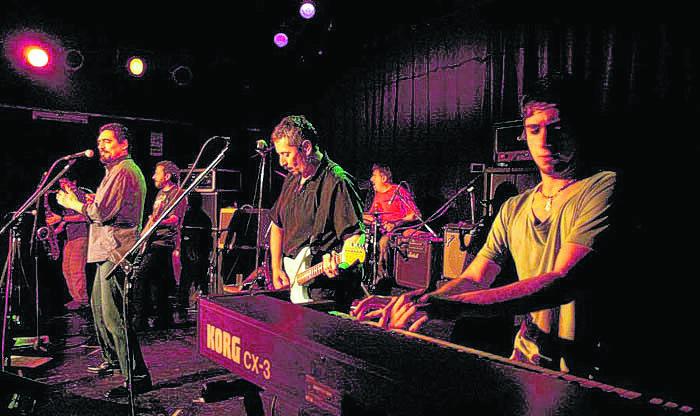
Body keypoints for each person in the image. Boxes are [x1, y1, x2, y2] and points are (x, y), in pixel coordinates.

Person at [353, 75, 617, 378]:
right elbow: (474, 278)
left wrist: (449, 307)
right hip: (528, 363)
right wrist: (420, 300)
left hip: (589, 375)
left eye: (557, 129)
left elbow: (561, 281)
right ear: (524, 134)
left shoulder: (603, 187)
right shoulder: (514, 208)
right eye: (535, 129)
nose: (545, 141)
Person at [56, 122, 151, 398]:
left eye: (108, 141)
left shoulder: (123, 170)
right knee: (100, 312)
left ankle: (137, 377)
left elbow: (101, 213)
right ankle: (115, 362)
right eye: (100, 142)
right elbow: (103, 207)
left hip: (115, 250)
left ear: (124, 144)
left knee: (114, 317)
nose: (101, 146)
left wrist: (73, 204)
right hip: (105, 249)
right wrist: (87, 201)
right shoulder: (114, 171)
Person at [269, 115, 365, 310]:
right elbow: (277, 225)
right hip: (294, 284)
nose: (281, 162)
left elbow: (356, 239)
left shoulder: (337, 181)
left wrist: (340, 264)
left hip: (325, 293)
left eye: (286, 154)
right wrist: (276, 267)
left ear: (306, 147)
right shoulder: (292, 179)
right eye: (279, 154)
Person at [131, 160, 187, 330]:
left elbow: (174, 219)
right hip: (153, 241)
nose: (154, 176)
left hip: (163, 243)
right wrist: (142, 236)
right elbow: (154, 217)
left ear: (167, 176)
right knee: (158, 282)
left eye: (157, 173)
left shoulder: (178, 193)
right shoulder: (160, 193)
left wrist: (157, 221)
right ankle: (164, 318)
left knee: (141, 277)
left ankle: (140, 319)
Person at [362, 164, 420, 292]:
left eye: (374, 176)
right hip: (382, 231)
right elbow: (372, 216)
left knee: (383, 242)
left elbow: (414, 215)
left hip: (398, 231)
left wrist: (395, 224)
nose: (371, 179)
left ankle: (382, 281)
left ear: (383, 178)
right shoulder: (377, 195)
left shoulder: (398, 191)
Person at [45, 177, 92, 310]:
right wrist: (56, 230)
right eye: (60, 183)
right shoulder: (66, 198)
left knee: (76, 270)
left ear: (74, 182)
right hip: (70, 237)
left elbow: (85, 216)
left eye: (64, 182)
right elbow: (68, 219)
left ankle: (82, 301)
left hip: (81, 235)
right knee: (67, 270)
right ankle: (76, 298)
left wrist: (61, 218)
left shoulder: (80, 195)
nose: (62, 185)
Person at [176, 193, 212, 320]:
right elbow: (208, 240)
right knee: (202, 282)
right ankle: (205, 308)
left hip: (190, 255)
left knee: (185, 283)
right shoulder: (205, 218)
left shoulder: (186, 217)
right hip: (200, 256)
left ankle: (183, 309)